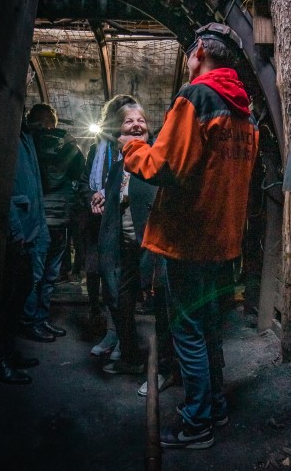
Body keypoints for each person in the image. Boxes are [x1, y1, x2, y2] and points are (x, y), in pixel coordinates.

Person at [121, 22, 259, 449]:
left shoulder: (196, 96)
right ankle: (215, 407)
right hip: (222, 243)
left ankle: (196, 423)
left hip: (187, 241)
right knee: (210, 326)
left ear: (198, 51)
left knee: (187, 331)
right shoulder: (247, 113)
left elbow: (164, 167)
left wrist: (131, 147)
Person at [97, 102, 176, 386]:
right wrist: (103, 199)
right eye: (128, 121)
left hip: (154, 248)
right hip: (125, 248)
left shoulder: (156, 160)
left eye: (140, 120)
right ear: (119, 129)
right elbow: (118, 202)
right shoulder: (118, 167)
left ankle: (166, 368)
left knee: (163, 308)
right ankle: (130, 357)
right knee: (119, 300)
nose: (136, 125)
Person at [0, 66, 50, 384]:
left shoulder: (22, 129)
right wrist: (14, 229)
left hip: (28, 225)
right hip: (14, 228)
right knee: (4, 299)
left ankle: (8, 350)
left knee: (19, 293)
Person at [19, 103, 85, 342]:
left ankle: (32, 321)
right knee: (48, 276)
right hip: (61, 218)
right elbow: (80, 173)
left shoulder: (29, 143)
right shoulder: (68, 143)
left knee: (34, 276)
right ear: (53, 121)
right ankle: (38, 320)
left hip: (36, 219)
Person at [78, 94, 138, 355]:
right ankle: (108, 329)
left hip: (123, 226)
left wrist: (112, 198)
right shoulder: (97, 149)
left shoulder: (137, 149)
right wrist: (93, 196)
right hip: (98, 224)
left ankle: (119, 336)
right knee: (99, 275)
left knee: (119, 284)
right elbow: (84, 182)